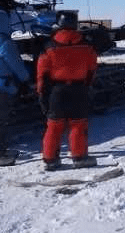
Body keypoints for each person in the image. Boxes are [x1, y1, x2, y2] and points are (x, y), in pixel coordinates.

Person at [37, 11, 99, 170]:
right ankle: (79, 158)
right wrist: (87, 85)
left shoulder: (49, 46)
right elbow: (92, 69)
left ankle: (50, 160)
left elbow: (42, 74)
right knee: (78, 124)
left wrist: (42, 95)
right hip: (78, 89)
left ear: (59, 24)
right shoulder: (87, 45)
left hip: (57, 91)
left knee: (54, 126)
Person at [0, 9, 31, 167]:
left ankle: (0, 150)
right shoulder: (5, 42)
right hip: (2, 88)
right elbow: (16, 64)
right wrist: (26, 78)